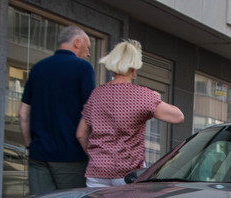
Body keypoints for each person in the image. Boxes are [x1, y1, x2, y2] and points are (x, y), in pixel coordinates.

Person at [76, 39, 184, 188]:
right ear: (134, 68)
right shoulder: (142, 96)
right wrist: (155, 98)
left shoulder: (96, 95)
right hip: (129, 173)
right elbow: (178, 116)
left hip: (97, 172)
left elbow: (81, 134)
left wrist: (96, 157)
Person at [18, 25, 95, 195]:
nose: (88, 53)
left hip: (38, 156)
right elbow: (90, 112)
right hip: (71, 156)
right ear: (77, 43)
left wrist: (30, 145)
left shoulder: (38, 68)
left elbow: (22, 113)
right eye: (87, 47)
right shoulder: (83, 68)